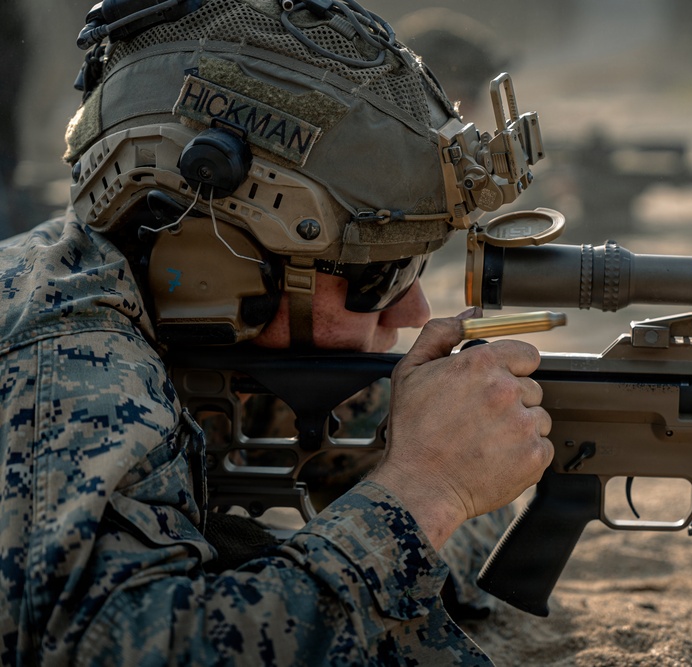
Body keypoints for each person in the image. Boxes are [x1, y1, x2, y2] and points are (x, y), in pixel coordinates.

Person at [0, 0, 552, 664]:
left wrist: (443, 478)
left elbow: (452, 515)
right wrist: (424, 495)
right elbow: (119, 651)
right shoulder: (67, 361)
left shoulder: (230, 329)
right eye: (378, 275)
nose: (409, 314)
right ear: (210, 259)